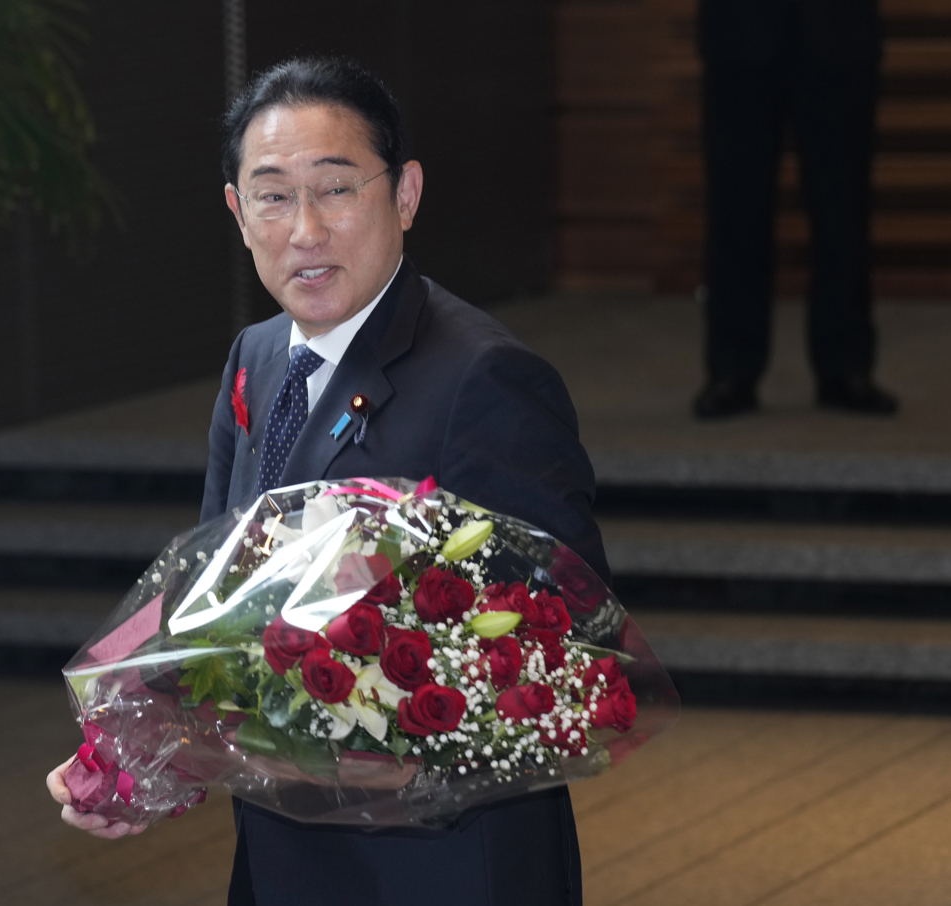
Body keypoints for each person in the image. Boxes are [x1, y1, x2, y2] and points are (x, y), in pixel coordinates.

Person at [48, 57, 608, 906]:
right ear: (238, 214)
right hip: (283, 860)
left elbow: (568, 652)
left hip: (444, 868)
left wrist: (374, 718)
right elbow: (209, 601)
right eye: (273, 195)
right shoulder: (258, 357)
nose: (305, 228)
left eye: (337, 189)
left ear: (406, 194)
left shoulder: (484, 380)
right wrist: (141, 755)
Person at [693, 0, 899, 419]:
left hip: (840, 31)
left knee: (843, 211)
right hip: (738, 30)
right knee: (736, 209)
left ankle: (846, 367)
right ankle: (732, 369)